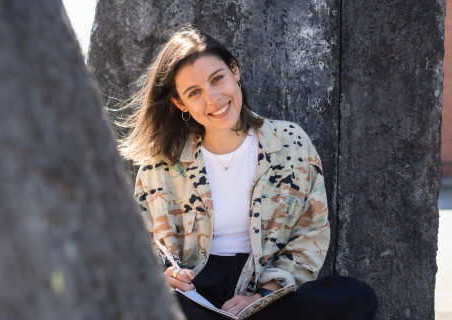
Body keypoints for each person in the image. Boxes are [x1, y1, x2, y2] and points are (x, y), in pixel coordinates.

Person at [120, 25, 378, 319]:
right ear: (180, 103)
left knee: (355, 297)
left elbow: (311, 232)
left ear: (235, 71)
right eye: (195, 92)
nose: (213, 97)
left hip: (268, 292)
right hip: (195, 295)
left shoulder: (290, 143)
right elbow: (141, 244)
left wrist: (261, 295)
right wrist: (165, 275)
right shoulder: (161, 163)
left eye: (218, 79)